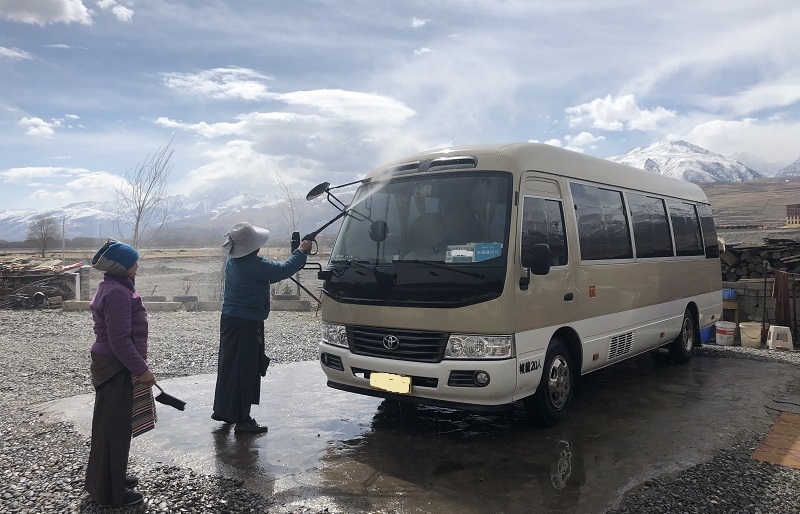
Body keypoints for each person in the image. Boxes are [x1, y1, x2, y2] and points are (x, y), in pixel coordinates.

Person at [212, 222, 312, 433]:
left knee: (229, 365)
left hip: (229, 319)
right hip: (247, 323)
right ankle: (243, 420)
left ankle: (225, 411)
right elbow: (283, 270)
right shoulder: (254, 265)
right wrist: (301, 252)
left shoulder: (233, 261)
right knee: (246, 368)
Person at [85, 239, 157, 508]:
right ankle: (109, 494)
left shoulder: (112, 286)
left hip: (112, 364)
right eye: (133, 262)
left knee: (109, 426)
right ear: (122, 267)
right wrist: (142, 370)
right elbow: (119, 340)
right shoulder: (116, 293)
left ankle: (110, 477)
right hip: (116, 365)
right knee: (113, 429)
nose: (137, 266)